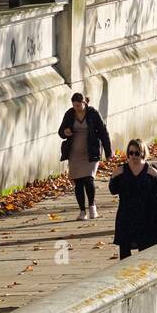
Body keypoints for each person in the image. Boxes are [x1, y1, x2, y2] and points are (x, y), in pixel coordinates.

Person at [109, 139, 157, 259]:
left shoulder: (151, 169)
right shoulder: (122, 170)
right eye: (131, 153)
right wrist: (113, 176)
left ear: (143, 153)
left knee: (146, 254)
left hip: (147, 217)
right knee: (124, 255)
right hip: (127, 216)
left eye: (137, 153)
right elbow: (113, 190)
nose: (133, 156)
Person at [58, 92, 112, 221]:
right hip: (74, 153)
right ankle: (82, 211)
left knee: (88, 179)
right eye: (74, 105)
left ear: (84, 102)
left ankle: (92, 207)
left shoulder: (93, 113)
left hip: (91, 151)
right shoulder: (70, 114)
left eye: (79, 105)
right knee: (78, 182)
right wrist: (65, 132)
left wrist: (108, 152)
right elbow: (60, 131)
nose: (77, 108)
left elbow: (104, 132)